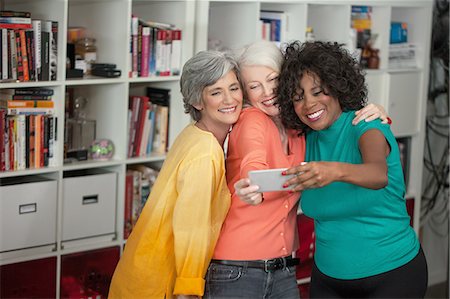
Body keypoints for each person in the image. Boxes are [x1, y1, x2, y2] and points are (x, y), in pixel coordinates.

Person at [204, 40, 389, 299]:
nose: (267, 92)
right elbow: (252, 160)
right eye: (254, 87)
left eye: (273, 80)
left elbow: (339, 121)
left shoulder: (300, 126)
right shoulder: (252, 121)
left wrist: (376, 111)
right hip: (238, 269)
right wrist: (250, 186)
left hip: (282, 267)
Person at [277, 40, 428, 298]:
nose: (309, 104)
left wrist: (334, 171)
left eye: (318, 91)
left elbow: (377, 174)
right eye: (298, 97)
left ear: (337, 87)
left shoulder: (366, 125)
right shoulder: (306, 139)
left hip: (392, 273)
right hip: (328, 277)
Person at [108, 50, 243, 299]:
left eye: (234, 88)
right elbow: (193, 226)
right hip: (159, 282)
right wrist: (189, 288)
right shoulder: (206, 152)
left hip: (140, 271)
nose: (229, 99)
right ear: (197, 101)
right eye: (216, 92)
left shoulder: (194, 133)